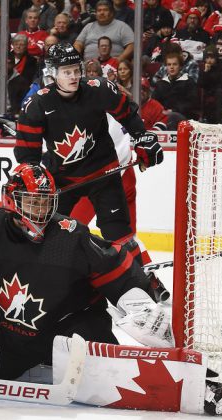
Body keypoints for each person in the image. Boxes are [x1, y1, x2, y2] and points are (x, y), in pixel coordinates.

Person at [0, 162, 222, 415]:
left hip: (74, 328)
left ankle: (198, 386)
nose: (40, 210)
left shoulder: (68, 237)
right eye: (32, 201)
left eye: (46, 202)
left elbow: (118, 270)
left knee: (113, 373)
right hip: (14, 335)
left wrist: (140, 304)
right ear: (10, 200)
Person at [13, 43, 163, 261]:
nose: (73, 76)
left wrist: (142, 137)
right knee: (46, 232)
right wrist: (34, 177)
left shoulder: (98, 88)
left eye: (76, 70)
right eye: (66, 72)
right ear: (53, 73)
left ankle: (140, 277)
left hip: (103, 173)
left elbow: (128, 114)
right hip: (63, 179)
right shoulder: (37, 105)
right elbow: (28, 156)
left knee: (118, 231)